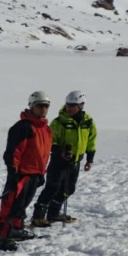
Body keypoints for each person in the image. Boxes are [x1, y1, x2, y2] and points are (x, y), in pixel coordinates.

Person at [0, 91, 53, 251]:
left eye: (46, 106)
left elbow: (44, 151)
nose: (43, 109)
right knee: (11, 205)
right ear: (32, 106)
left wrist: (42, 172)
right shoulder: (23, 127)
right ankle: (4, 237)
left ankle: (17, 229)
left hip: (35, 174)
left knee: (22, 205)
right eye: (40, 106)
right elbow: (13, 152)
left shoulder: (46, 129)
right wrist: (13, 172)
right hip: (21, 174)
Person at [31, 90, 98, 227]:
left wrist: (89, 159)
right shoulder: (59, 122)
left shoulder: (88, 122)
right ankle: (38, 216)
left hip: (76, 161)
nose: (69, 108)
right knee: (52, 187)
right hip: (59, 160)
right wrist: (61, 151)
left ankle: (53, 213)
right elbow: (50, 141)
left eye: (72, 105)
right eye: (67, 104)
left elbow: (91, 140)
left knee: (69, 189)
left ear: (81, 105)